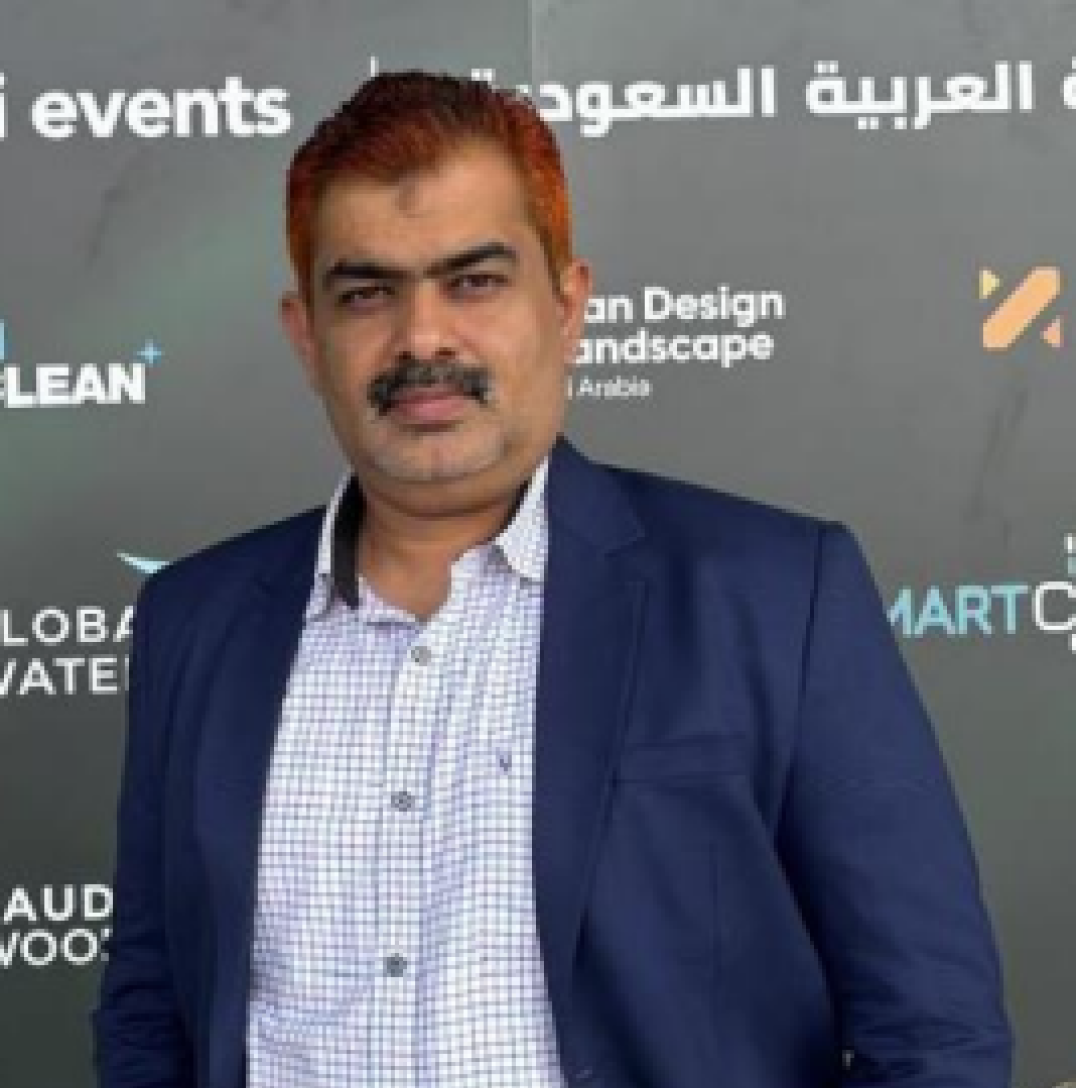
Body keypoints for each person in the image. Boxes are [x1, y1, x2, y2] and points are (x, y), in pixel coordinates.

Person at [93, 71, 1012, 1088]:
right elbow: (151, 1004)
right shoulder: (196, 620)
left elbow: (932, 1033)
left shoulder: (772, 598)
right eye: (366, 293)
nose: (422, 337)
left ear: (567, 306)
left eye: (473, 281)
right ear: (306, 336)